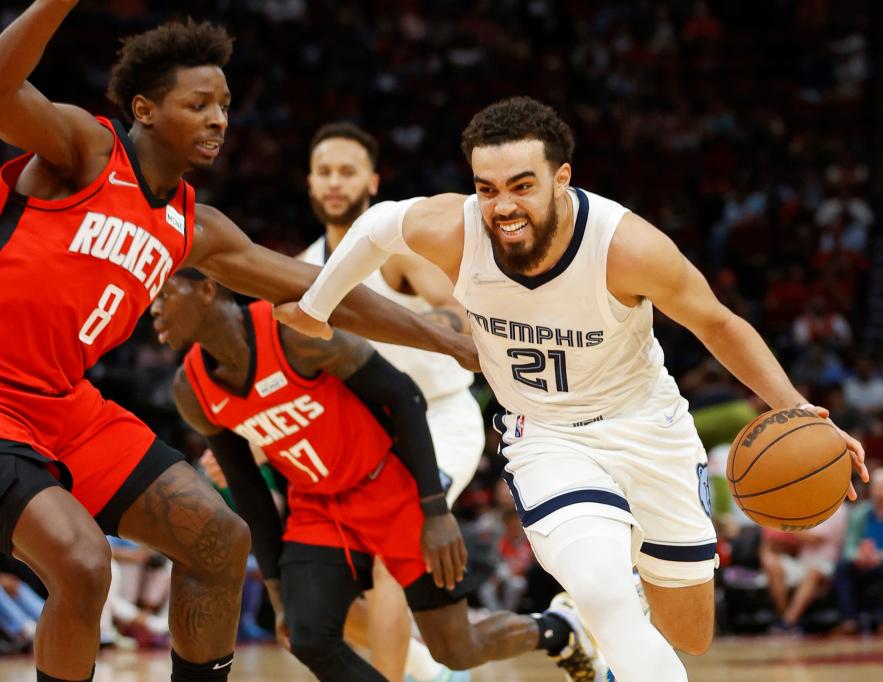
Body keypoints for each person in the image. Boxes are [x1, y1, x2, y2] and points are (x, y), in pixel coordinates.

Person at [280, 96, 870, 681]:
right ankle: (599, 615)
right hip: (547, 437)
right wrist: (315, 306)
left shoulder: (625, 247)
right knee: (603, 588)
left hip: (646, 426)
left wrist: (799, 410)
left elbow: (716, 323)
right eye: (486, 188)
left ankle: (597, 631)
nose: (503, 206)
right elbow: (380, 225)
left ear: (562, 178)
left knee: (689, 632)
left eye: (521, 185)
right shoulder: (455, 232)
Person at [0, 5, 475, 681]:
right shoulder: (87, 149)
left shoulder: (198, 228)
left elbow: (322, 286)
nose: (219, 119)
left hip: (64, 406)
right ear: (145, 108)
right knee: (81, 563)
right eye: (199, 104)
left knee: (221, 542)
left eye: (224, 104)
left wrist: (447, 339)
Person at [152, 270, 603, 681]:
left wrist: (434, 510)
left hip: (387, 485)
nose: (153, 308)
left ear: (208, 288)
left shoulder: (293, 334)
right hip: (317, 504)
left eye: (165, 294)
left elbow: (404, 396)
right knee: (308, 634)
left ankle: (558, 630)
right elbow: (249, 491)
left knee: (458, 648)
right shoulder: (190, 389)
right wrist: (275, 590)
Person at [301, 122, 484, 682]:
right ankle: (434, 668)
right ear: (309, 182)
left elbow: (457, 314)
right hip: (368, 443)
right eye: (325, 171)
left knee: (386, 564)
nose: (335, 182)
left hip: (440, 418)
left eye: (347, 170)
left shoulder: (393, 248)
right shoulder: (306, 265)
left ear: (372, 181)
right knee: (311, 606)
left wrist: (417, 329)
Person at [833, 468, 883, 635]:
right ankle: (849, 619)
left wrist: (881, 556)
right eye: (879, 487)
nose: (882, 492)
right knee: (842, 566)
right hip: (863, 562)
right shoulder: (859, 514)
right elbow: (849, 546)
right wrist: (858, 556)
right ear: (871, 489)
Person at [759, 503, 848, 633]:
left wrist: (782, 524)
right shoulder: (811, 501)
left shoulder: (837, 507)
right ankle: (786, 620)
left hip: (828, 564)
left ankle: (787, 623)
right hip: (802, 562)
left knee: (813, 572)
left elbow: (814, 539)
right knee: (772, 564)